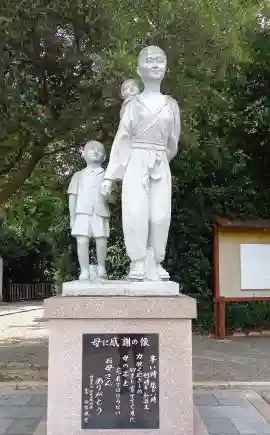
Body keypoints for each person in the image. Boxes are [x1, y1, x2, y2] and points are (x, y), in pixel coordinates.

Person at [101, 46, 180, 281]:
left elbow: (173, 142)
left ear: (166, 68)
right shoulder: (133, 104)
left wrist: (160, 159)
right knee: (135, 211)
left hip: (159, 162)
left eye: (160, 60)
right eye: (149, 60)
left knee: (160, 215)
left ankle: (155, 261)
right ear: (139, 69)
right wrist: (110, 176)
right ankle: (137, 262)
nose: (155, 64)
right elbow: (122, 138)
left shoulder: (171, 105)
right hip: (135, 160)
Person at [68, 140, 113, 280]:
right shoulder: (78, 175)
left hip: (101, 212)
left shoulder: (108, 177)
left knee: (101, 241)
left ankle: (101, 268)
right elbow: (72, 197)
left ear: (104, 157)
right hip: (82, 212)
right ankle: (84, 270)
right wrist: (72, 218)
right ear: (83, 154)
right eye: (91, 149)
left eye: (99, 150)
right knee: (82, 241)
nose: (95, 152)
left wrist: (109, 194)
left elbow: (113, 199)